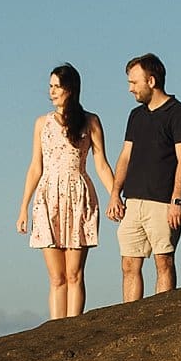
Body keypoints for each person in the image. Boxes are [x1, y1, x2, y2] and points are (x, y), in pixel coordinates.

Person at [17, 63, 115, 318]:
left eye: (57, 86)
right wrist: (23, 207)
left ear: (70, 89)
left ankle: (74, 328)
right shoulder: (42, 123)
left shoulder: (91, 121)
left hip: (78, 196)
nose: (51, 91)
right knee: (56, 276)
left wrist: (115, 195)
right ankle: (56, 328)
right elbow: (35, 167)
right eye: (50, 86)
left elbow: (101, 163)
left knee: (74, 274)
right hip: (48, 196)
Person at [109, 52, 181, 301]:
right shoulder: (135, 116)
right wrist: (115, 194)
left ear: (151, 81)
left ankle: (163, 317)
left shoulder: (179, 114)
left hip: (163, 202)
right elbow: (125, 156)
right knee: (128, 264)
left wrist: (177, 199)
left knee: (163, 262)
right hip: (132, 201)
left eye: (134, 82)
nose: (130, 88)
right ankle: (131, 317)